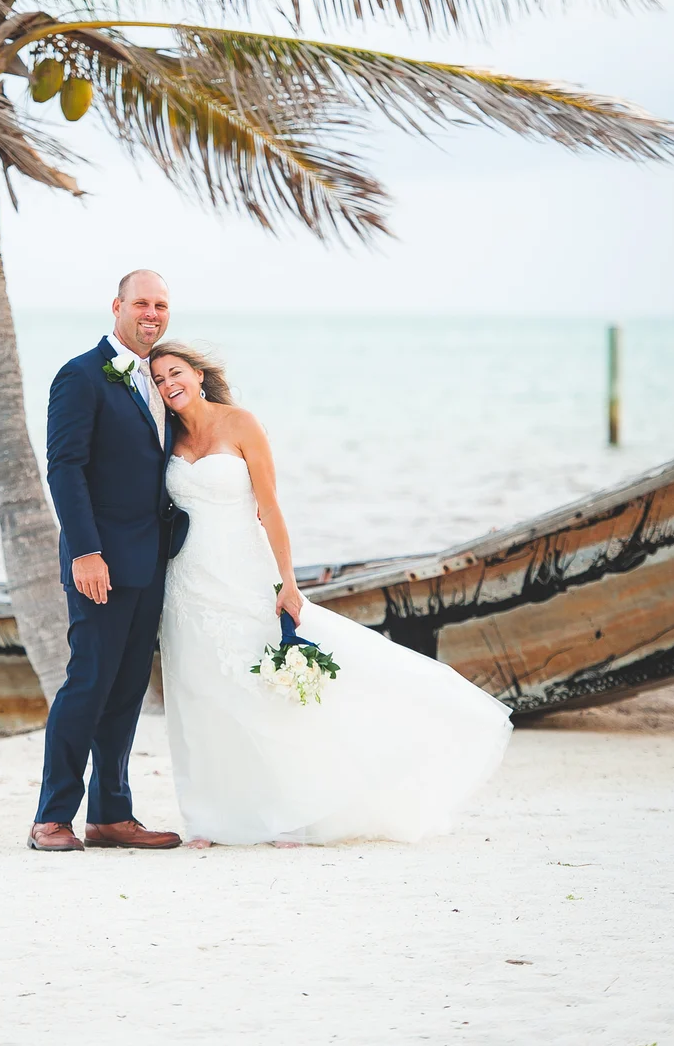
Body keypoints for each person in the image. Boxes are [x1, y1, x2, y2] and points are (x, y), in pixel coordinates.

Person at [149, 342, 513, 847]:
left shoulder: (241, 424)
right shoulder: (165, 436)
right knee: (198, 694)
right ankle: (210, 819)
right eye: (159, 379)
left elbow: (270, 509)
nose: (170, 384)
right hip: (187, 582)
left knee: (265, 694)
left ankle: (288, 813)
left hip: (245, 574)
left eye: (176, 372)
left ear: (197, 372)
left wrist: (288, 582)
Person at [30, 271, 187, 852]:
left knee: (127, 690)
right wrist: (87, 551)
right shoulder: (80, 375)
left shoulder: (162, 377)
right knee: (88, 683)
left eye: (162, 305)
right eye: (142, 303)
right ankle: (52, 817)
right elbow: (65, 468)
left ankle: (111, 815)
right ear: (117, 306)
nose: (153, 313)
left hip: (151, 563)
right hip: (99, 561)